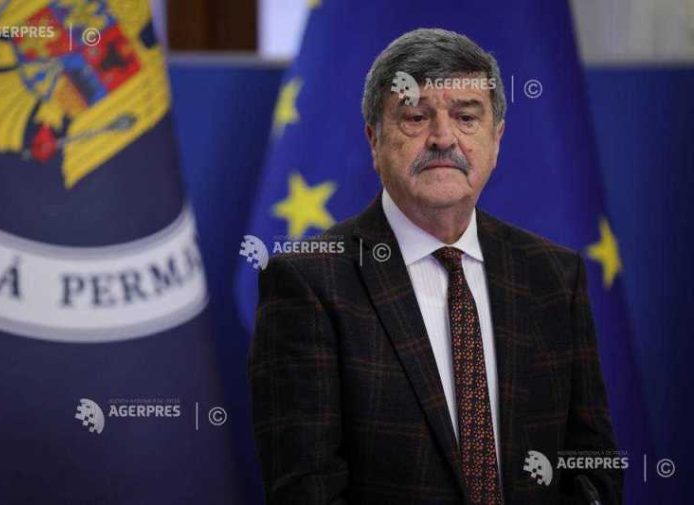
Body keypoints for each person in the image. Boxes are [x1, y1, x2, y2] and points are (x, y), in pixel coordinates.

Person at [249, 28, 622, 505]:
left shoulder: (554, 276)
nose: (444, 138)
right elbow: (307, 491)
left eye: (466, 117)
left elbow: (592, 466)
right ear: (374, 140)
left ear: (496, 139)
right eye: (415, 117)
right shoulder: (309, 283)